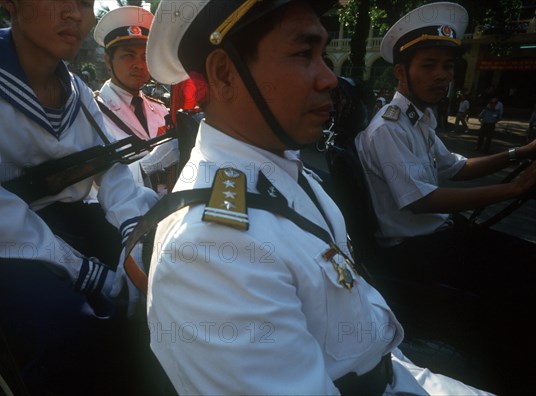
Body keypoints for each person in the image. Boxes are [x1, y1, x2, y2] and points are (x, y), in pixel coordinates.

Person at [144, 1, 491, 394]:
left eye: (324, 55)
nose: (329, 78)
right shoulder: (210, 249)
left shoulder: (281, 166)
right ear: (225, 74)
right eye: (302, 54)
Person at [0, 0, 159, 394]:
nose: (76, 14)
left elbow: (112, 172)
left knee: (165, 278)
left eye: (86, 3)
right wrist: (89, 274)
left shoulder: (75, 89)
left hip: (67, 219)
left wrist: (133, 242)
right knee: (68, 329)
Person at [354, 2, 536, 392]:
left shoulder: (420, 120)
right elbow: (421, 199)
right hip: (417, 252)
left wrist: (519, 153)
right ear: (401, 73)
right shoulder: (388, 128)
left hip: (441, 238)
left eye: (448, 67)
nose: (442, 76)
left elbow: (454, 166)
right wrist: (515, 188)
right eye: (429, 65)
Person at [93, 6, 179, 194]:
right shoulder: (91, 113)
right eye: (128, 55)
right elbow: (94, 187)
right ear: (108, 60)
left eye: (144, 57)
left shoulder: (161, 109)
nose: (139, 65)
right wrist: (147, 166)